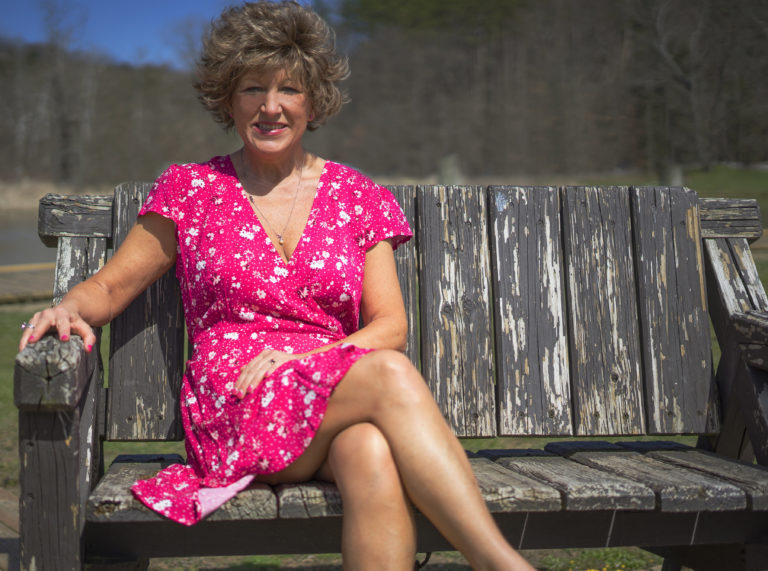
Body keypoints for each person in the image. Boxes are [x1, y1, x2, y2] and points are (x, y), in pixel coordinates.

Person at [19, 2, 534, 569]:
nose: (271, 107)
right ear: (227, 98)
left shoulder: (358, 195)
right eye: (252, 89)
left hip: (329, 398)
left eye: (289, 89)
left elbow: (391, 326)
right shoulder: (192, 189)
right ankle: (502, 564)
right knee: (388, 374)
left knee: (369, 453)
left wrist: (307, 358)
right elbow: (111, 289)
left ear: (313, 101)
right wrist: (68, 306)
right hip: (236, 400)